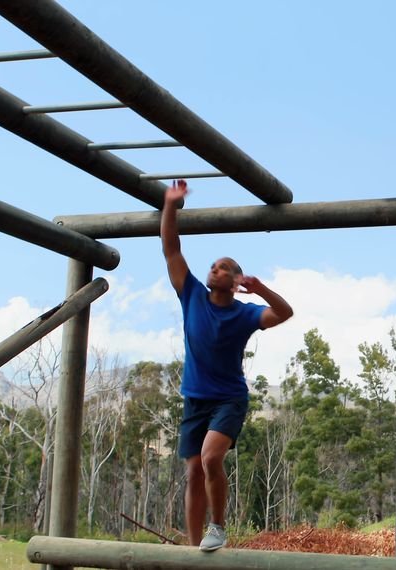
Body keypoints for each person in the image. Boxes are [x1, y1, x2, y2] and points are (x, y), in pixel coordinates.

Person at [160, 179, 294, 551]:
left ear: (235, 281)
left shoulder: (245, 313)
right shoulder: (192, 295)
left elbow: (284, 313)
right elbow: (170, 246)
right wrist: (171, 204)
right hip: (194, 399)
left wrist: (261, 287)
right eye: (213, 266)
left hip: (229, 400)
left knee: (210, 458)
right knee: (191, 473)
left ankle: (217, 527)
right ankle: (192, 550)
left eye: (223, 268)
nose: (214, 270)